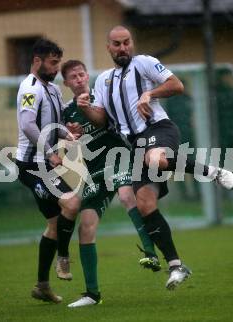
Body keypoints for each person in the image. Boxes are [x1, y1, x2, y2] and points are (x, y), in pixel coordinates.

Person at [77, 26, 233, 290]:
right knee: (145, 204)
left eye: (126, 42)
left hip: (158, 129)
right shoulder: (103, 80)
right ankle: (176, 265)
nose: (122, 48)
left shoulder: (145, 63)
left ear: (132, 43)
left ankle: (213, 173)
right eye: (116, 44)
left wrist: (150, 93)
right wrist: (85, 109)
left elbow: (177, 85)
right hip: (135, 146)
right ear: (108, 47)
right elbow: (103, 119)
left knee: (156, 159)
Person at [60, 59, 160, 307]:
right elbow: (67, 142)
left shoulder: (102, 96)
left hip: (120, 158)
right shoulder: (66, 111)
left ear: (87, 76)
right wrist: (69, 137)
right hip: (95, 171)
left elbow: (109, 122)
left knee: (127, 195)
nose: (80, 79)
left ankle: (151, 252)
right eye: (74, 77)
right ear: (67, 83)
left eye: (82, 74)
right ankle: (92, 294)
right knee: (86, 225)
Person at [15, 38, 81, 304]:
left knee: (54, 224)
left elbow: (56, 121)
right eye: (52, 63)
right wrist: (51, 152)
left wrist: (68, 131)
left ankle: (42, 286)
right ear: (37, 60)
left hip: (46, 165)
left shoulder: (53, 89)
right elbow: (28, 125)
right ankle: (63, 259)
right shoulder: (29, 88)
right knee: (72, 202)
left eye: (58, 63)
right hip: (32, 167)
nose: (56, 68)